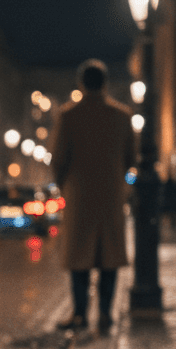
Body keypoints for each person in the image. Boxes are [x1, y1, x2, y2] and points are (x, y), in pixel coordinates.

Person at [50, 59, 136, 333]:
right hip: (111, 196)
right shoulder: (122, 116)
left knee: (79, 260)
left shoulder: (69, 115)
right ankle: (106, 314)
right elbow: (131, 158)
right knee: (109, 258)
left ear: (81, 84)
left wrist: (65, 186)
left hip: (79, 197)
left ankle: (79, 314)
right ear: (105, 83)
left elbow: (58, 159)